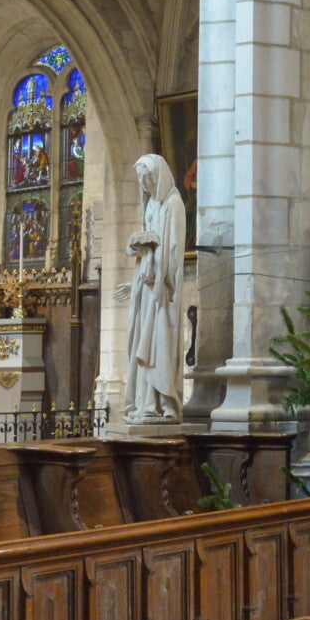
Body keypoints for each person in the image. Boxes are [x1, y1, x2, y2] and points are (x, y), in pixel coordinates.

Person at [121, 154, 187, 423]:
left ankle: (165, 404)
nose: (143, 183)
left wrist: (161, 278)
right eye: (139, 179)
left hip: (163, 290)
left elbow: (173, 249)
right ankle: (146, 403)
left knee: (159, 344)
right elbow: (147, 245)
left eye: (146, 178)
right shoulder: (150, 204)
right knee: (142, 342)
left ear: (157, 175)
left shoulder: (173, 203)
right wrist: (136, 280)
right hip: (146, 287)